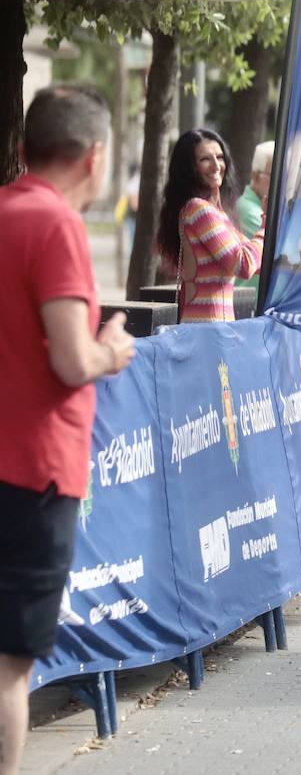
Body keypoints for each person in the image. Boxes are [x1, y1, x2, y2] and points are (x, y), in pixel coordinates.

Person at [0, 86, 135, 775]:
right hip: (33, 472)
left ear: (25, 148)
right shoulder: (56, 227)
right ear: (95, 158)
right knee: (9, 667)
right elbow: (70, 358)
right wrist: (111, 348)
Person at [156, 127, 264, 323]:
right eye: (205, 159)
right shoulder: (198, 210)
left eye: (220, 157)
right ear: (189, 168)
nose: (216, 165)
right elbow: (244, 265)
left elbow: (257, 263)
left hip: (216, 332)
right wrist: (265, 226)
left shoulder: (217, 214)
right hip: (206, 333)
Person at [235, 141, 273, 291]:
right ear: (255, 176)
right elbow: (274, 248)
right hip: (248, 306)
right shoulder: (248, 210)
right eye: (275, 174)